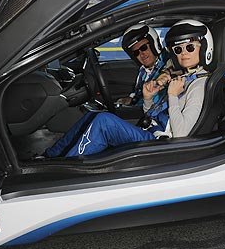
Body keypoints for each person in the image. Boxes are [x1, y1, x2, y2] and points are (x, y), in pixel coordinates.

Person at [44, 19, 214, 157]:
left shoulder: (197, 84)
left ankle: (67, 166)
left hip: (161, 144)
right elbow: (151, 113)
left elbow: (182, 135)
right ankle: (51, 156)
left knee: (104, 122)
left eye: (190, 47)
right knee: (94, 115)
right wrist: (147, 98)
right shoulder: (183, 77)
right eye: (178, 49)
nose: (183, 53)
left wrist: (171, 95)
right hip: (152, 130)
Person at [117, 24, 172, 106]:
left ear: (154, 45)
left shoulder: (169, 64)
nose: (142, 54)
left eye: (143, 48)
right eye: (136, 52)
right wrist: (132, 100)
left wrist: (133, 102)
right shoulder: (143, 70)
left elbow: (156, 99)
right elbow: (139, 94)